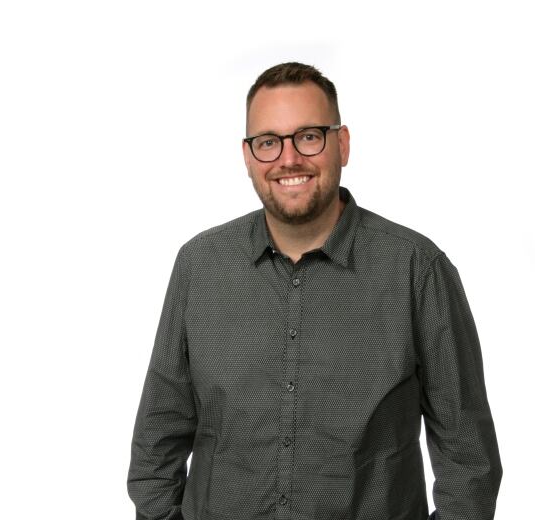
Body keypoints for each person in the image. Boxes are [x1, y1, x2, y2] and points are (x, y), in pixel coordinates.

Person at [127, 62, 502, 520]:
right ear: (247, 157)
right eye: (268, 142)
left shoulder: (416, 269)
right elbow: (157, 442)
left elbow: (468, 460)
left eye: (308, 136)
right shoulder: (200, 267)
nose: (288, 159)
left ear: (342, 145)